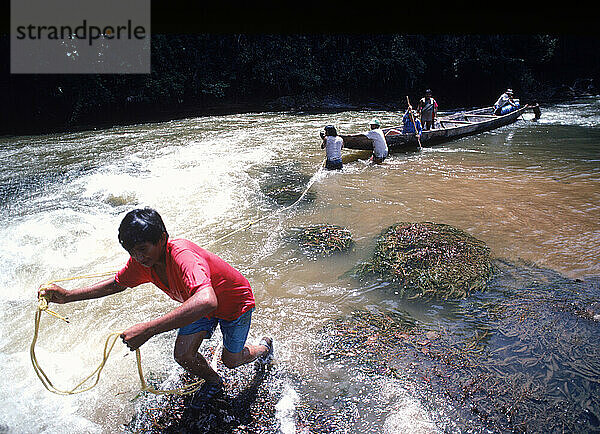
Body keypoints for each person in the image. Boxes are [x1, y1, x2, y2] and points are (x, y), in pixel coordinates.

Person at [38, 208, 273, 408]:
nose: (138, 257)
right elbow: (116, 284)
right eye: (131, 251)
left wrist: (148, 329)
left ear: (162, 238)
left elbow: (207, 300)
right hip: (198, 303)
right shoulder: (142, 263)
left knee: (231, 360)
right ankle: (214, 382)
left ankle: (263, 348)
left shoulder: (182, 255)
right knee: (183, 355)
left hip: (234, 304)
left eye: (142, 249)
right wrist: (67, 296)